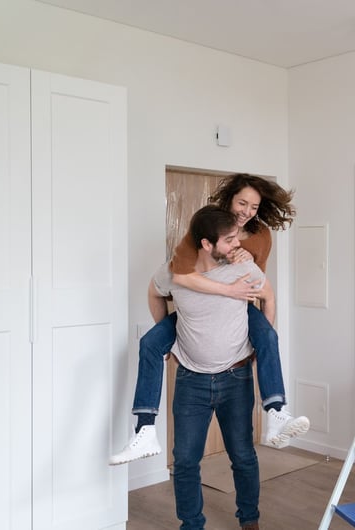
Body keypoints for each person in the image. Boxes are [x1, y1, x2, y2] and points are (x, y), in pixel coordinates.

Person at [110, 174, 308, 466]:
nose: (247, 211)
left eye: (254, 206)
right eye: (242, 202)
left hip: (239, 306)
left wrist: (257, 338)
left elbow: (261, 288)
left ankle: (276, 413)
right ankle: (145, 430)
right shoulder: (204, 229)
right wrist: (225, 289)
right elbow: (178, 276)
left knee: (268, 337)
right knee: (152, 342)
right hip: (197, 307)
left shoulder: (261, 235)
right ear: (229, 199)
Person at [152, 206, 265, 530]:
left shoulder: (244, 268)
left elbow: (268, 297)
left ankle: (250, 521)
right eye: (229, 239)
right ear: (206, 243)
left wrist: (262, 341)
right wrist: (168, 338)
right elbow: (154, 292)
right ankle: (191, 524)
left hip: (236, 376)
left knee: (243, 455)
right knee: (186, 461)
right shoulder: (173, 271)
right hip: (191, 380)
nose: (237, 244)